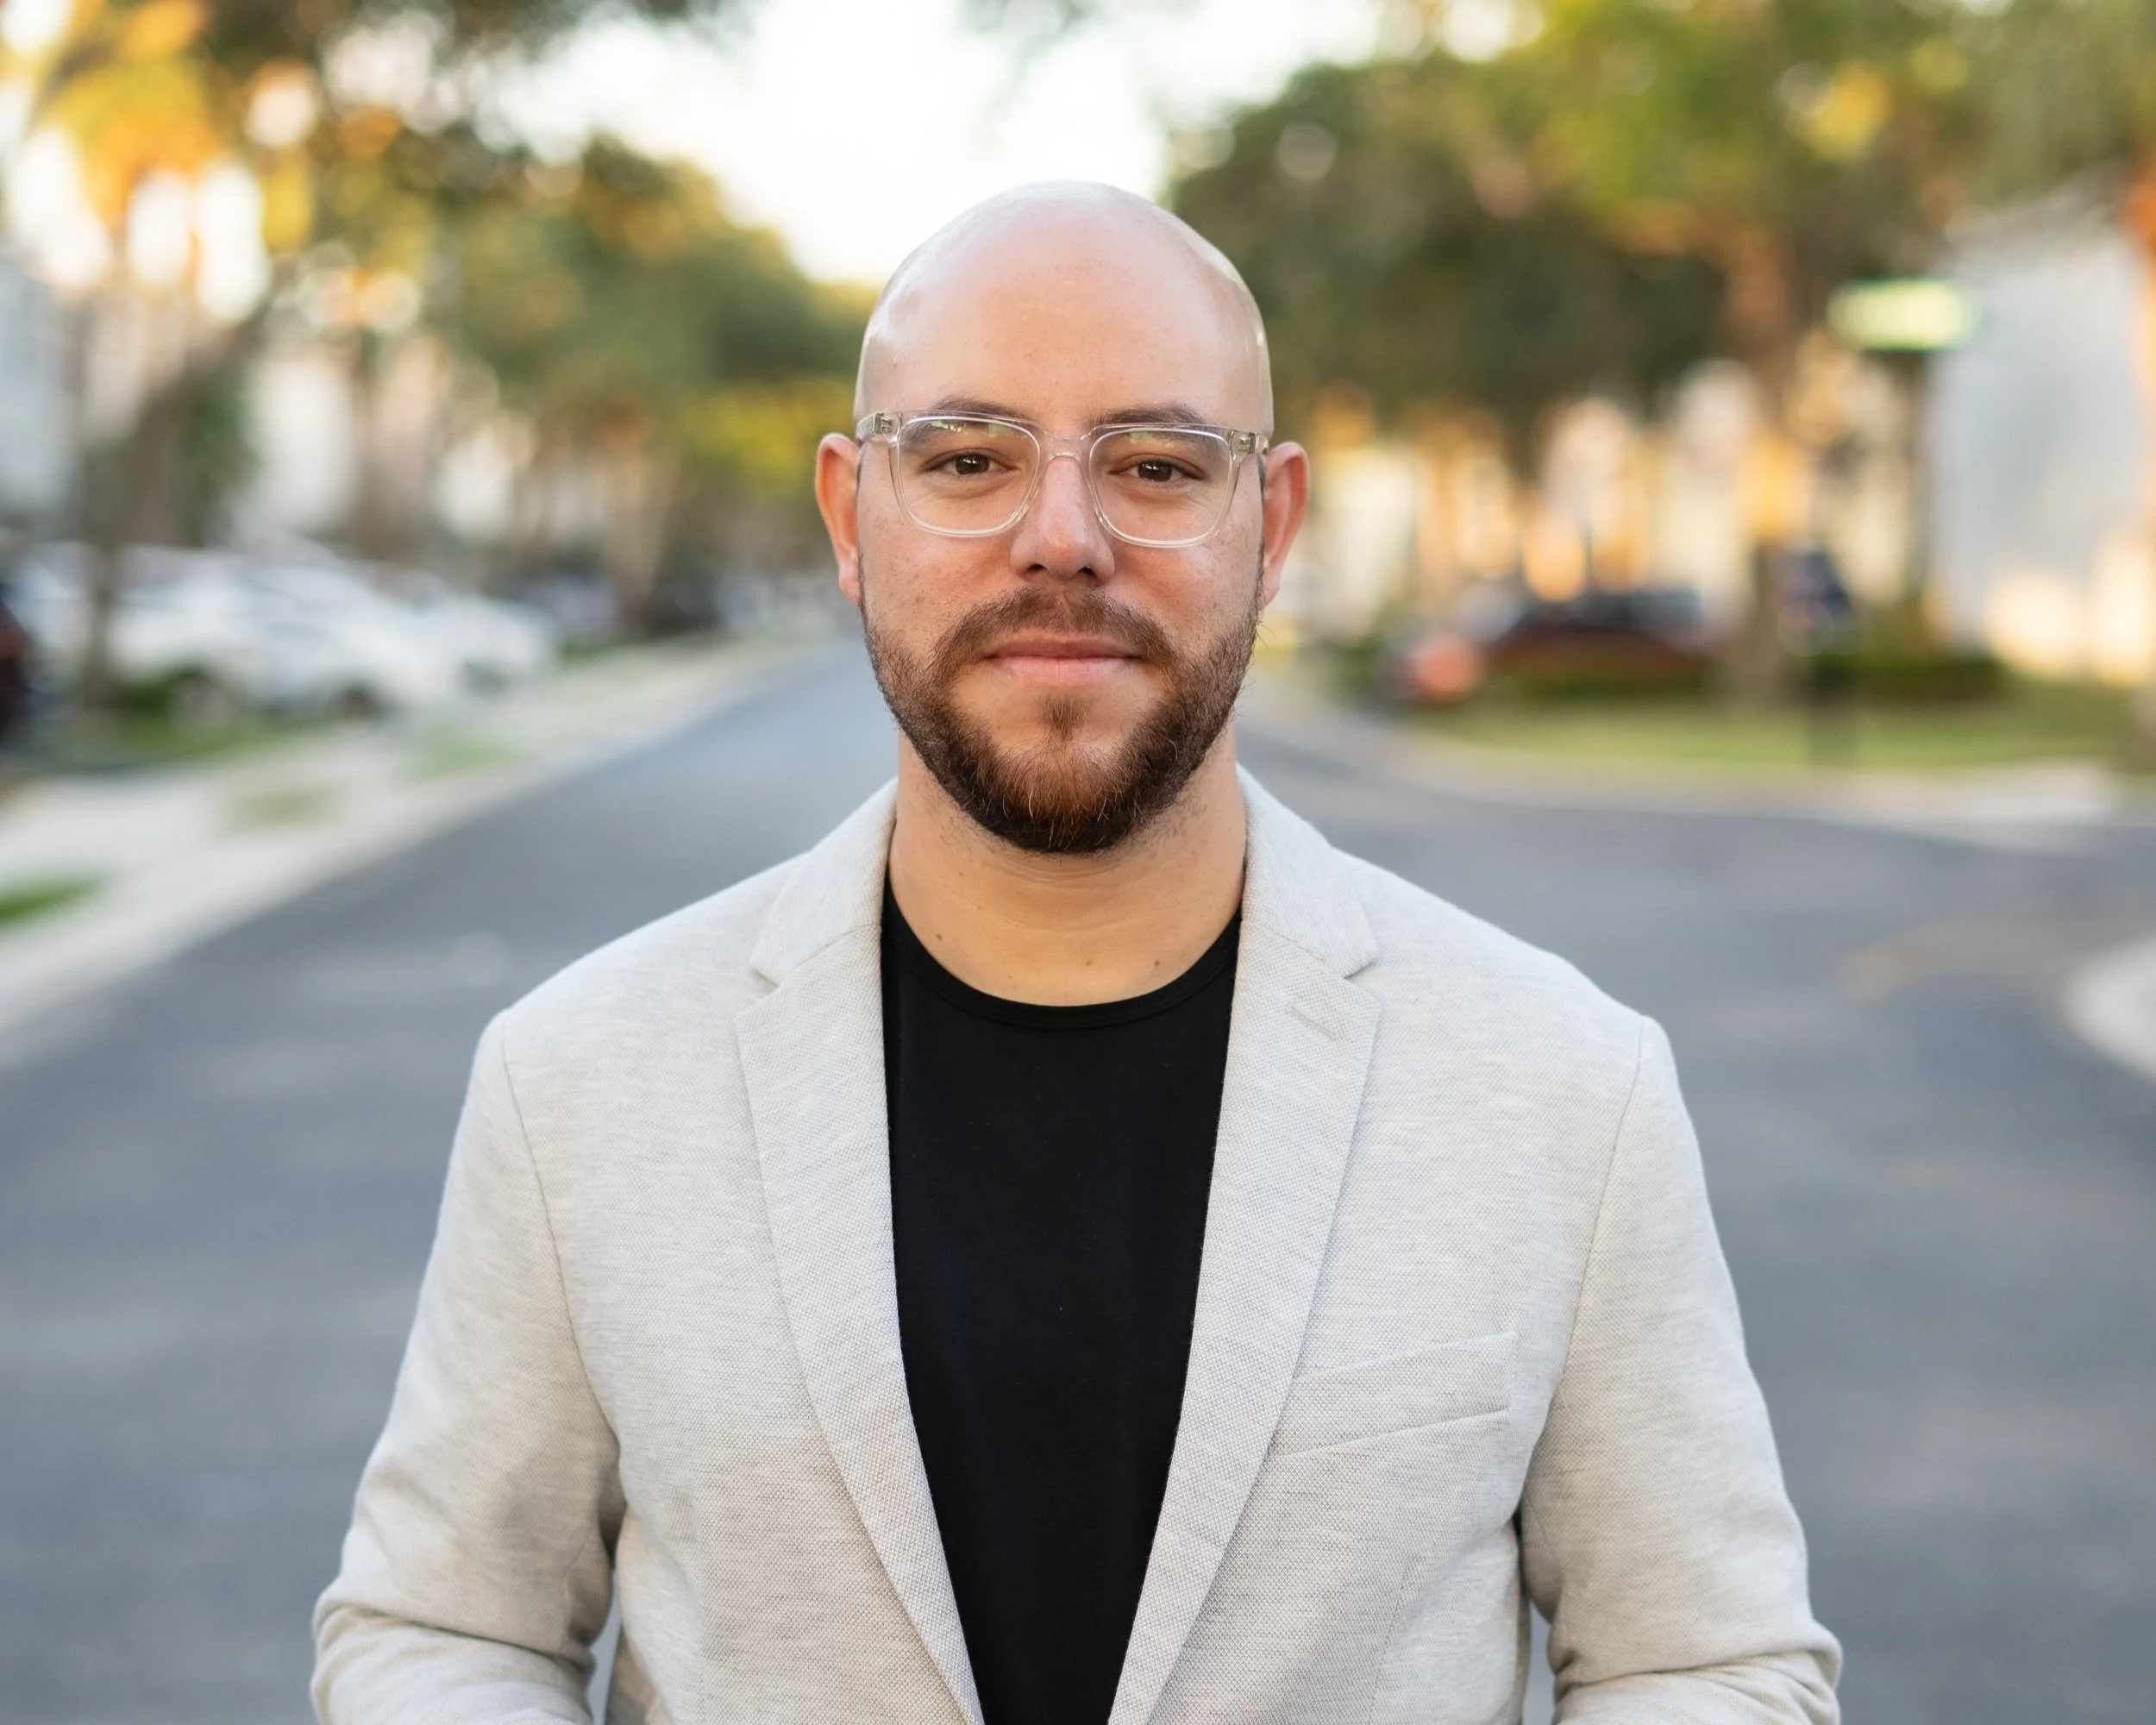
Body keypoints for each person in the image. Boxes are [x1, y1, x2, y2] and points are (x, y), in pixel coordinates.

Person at [314, 183, 1839, 1725]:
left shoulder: (1566, 1087)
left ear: (1274, 524)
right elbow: (447, 1633)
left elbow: (1701, 1661)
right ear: (853, 517)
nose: (1064, 541)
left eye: (1160, 465)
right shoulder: (574, 1082)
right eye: (969, 460)